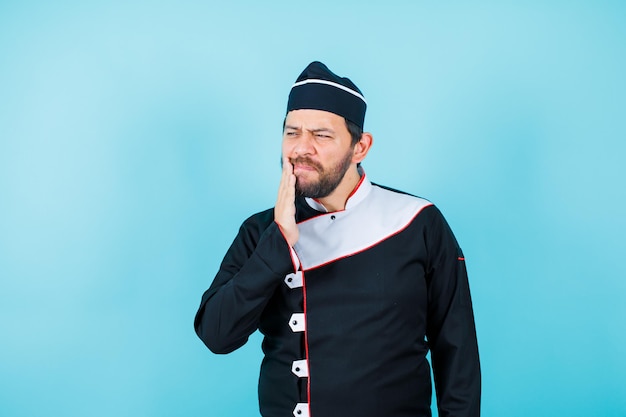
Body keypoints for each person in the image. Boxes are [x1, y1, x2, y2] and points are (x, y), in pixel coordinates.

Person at [194, 61, 481, 417]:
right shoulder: (260, 231)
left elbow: (457, 351)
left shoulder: (418, 222)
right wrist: (279, 240)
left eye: (321, 135)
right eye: (292, 132)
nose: (301, 148)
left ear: (360, 147)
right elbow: (217, 335)